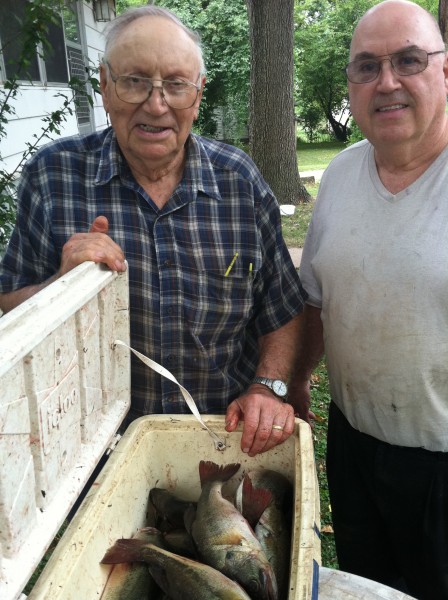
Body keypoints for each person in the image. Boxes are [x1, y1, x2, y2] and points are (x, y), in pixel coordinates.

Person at [0, 6, 307, 457]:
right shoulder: (52, 177)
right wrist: (58, 291)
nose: (156, 104)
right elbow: (8, 307)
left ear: (198, 96)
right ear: (105, 86)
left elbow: (281, 309)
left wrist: (267, 386)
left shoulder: (239, 181)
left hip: (223, 440)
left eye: (176, 85)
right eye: (135, 80)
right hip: (97, 454)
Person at [289, 0, 448, 597]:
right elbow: (317, 298)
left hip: (441, 462)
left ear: (444, 70)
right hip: (354, 447)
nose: (387, 82)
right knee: (365, 586)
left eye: (409, 60)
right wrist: (298, 379)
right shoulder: (341, 175)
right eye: (366, 66)